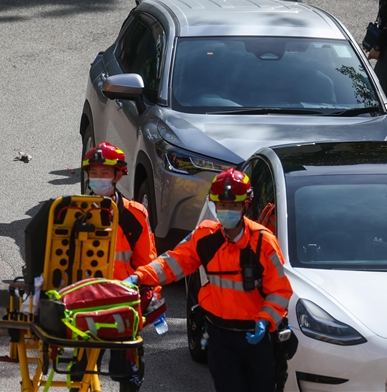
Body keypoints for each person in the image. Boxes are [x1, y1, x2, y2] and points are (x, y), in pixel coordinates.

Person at [124, 169, 293, 392]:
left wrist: (265, 320)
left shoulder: (264, 243)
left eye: (233, 206)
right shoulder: (205, 237)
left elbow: (280, 291)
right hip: (220, 336)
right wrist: (140, 276)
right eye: (222, 205)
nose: (226, 211)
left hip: (257, 338)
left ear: (245, 205)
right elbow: (173, 263)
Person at [77, 142, 159, 386]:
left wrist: (146, 297)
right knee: (79, 371)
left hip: (122, 304)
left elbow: (148, 263)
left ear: (117, 175)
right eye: (94, 173)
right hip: (84, 303)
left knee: (128, 374)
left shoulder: (134, 215)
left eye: (104, 174)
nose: (98, 179)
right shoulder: (73, 212)